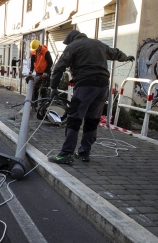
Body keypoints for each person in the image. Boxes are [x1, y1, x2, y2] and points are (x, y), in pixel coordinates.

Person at [48, 30, 135, 164]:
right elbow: (115, 53)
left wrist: (53, 87)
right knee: (92, 120)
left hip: (85, 85)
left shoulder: (73, 46)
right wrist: (126, 57)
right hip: (102, 86)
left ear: (71, 40)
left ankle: (66, 154)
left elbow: (59, 67)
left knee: (74, 119)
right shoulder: (98, 44)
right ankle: (84, 152)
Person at [28, 40, 53, 107]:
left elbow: (50, 63)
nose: (36, 51)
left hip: (45, 74)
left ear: (39, 46)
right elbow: (32, 63)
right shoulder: (33, 52)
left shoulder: (46, 52)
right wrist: (31, 70)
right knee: (35, 89)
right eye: (35, 49)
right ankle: (34, 105)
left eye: (37, 49)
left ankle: (43, 107)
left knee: (43, 90)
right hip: (38, 73)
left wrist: (46, 72)